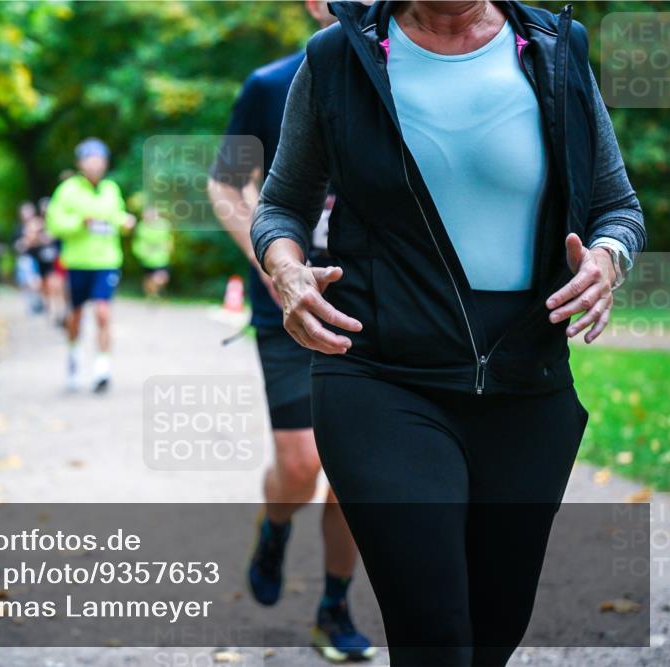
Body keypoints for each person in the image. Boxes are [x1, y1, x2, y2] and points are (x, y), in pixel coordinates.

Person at [251, 1, 646, 665]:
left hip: (527, 384)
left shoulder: (555, 47)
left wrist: (608, 259)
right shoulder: (338, 58)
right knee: (433, 632)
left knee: (492, 634)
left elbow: (618, 208)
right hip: (378, 375)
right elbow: (281, 205)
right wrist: (288, 272)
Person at [207, 2, 374, 662]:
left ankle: (335, 603)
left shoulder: (414, 77)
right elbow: (225, 185)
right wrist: (276, 262)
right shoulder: (270, 84)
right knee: (303, 463)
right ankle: (276, 524)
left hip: (375, 302)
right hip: (288, 300)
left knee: (358, 470)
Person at [46, 138, 135, 393]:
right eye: (90, 159)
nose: (95, 164)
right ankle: (73, 360)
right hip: (77, 263)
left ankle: (102, 369)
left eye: (99, 159)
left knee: (102, 313)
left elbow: (116, 216)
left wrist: (125, 221)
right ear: (80, 163)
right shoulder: (68, 190)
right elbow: (55, 224)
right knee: (75, 317)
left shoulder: (111, 189)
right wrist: (80, 222)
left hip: (106, 262)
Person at [132, 205, 174, 298]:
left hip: (162, 259)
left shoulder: (164, 224)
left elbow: (168, 239)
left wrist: (169, 248)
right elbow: (138, 243)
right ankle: (151, 295)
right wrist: (141, 253)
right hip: (147, 260)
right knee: (148, 279)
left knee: (160, 278)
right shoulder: (142, 227)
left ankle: (154, 293)